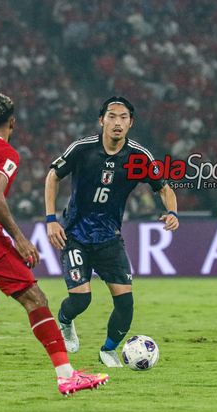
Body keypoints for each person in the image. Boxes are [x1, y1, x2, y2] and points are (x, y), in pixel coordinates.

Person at [0, 93, 108, 399]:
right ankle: (67, 376)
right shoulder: (5, 152)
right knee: (35, 298)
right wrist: (20, 240)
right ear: (12, 122)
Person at [44, 96, 179, 368]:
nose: (117, 122)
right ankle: (65, 320)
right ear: (102, 120)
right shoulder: (82, 149)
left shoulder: (139, 156)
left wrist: (173, 212)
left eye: (123, 117)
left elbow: (163, 187)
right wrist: (50, 219)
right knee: (81, 299)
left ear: (131, 123)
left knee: (126, 303)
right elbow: (52, 176)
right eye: (112, 116)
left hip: (108, 239)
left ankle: (108, 350)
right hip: (75, 235)